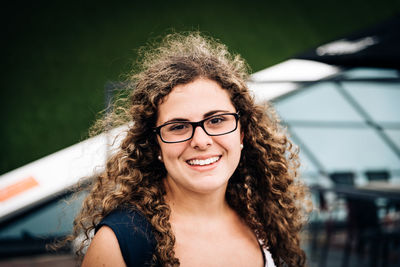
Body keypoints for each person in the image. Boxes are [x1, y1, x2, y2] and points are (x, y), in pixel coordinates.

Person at [73, 32, 309, 267]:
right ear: (156, 144)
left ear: (242, 133)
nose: (201, 140)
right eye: (178, 126)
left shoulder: (260, 217)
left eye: (216, 120)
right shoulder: (120, 243)